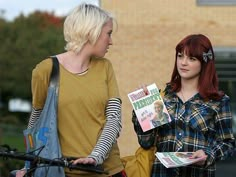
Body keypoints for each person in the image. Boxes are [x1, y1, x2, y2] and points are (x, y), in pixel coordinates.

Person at [16, 3, 126, 177]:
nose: (111, 41)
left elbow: (114, 119)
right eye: (109, 33)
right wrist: (28, 165)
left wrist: (95, 156)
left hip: (107, 170)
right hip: (64, 171)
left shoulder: (105, 67)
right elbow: (37, 121)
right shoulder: (46, 71)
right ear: (92, 32)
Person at [132, 34, 235, 177]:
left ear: (204, 63)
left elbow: (228, 144)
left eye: (191, 58)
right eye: (180, 56)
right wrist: (143, 108)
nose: (183, 63)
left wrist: (207, 154)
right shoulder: (163, 97)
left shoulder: (218, 101)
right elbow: (146, 142)